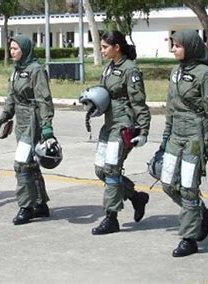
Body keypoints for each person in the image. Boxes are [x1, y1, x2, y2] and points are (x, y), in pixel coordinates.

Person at [159, 29, 208, 257]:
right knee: (167, 183)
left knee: (189, 188)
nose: (173, 49)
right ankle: (203, 214)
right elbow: (171, 107)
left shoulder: (206, 75)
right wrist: (165, 138)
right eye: (173, 44)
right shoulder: (175, 72)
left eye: (178, 45)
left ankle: (189, 238)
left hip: (197, 135)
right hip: (176, 135)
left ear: (190, 46)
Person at [90, 31, 151, 235]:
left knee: (112, 170)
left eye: (105, 47)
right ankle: (135, 197)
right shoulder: (109, 68)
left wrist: (143, 130)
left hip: (123, 125)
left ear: (117, 47)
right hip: (108, 125)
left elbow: (139, 103)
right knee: (101, 170)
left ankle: (111, 217)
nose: (102, 50)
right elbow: (104, 93)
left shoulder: (130, 70)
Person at [0, 35, 56, 225]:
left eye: (15, 49)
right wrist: (3, 119)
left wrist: (46, 126)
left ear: (25, 49)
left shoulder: (36, 70)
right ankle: (40, 204)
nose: (12, 52)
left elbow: (44, 99)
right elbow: (10, 98)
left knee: (21, 164)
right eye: (11, 48)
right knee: (30, 164)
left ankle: (26, 207)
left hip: (33, 119)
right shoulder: (16, 70)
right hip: (20, 121)